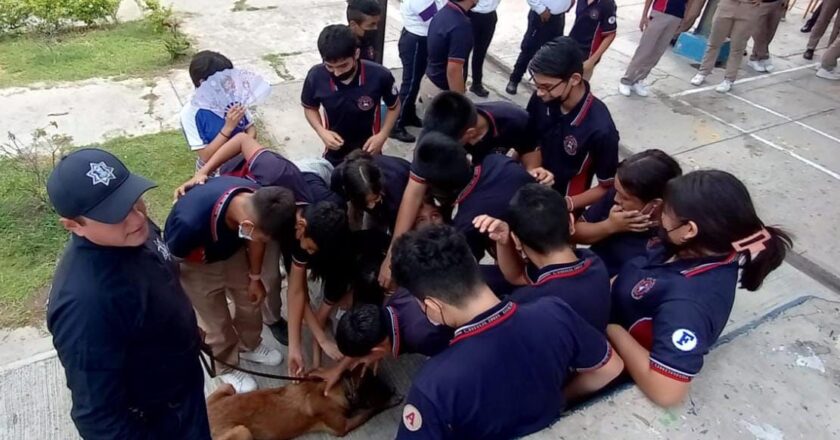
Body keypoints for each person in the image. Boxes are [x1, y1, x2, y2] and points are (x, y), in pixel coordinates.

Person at [392, 225, 624, 439]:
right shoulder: (554, 312)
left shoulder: (433, 385)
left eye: (421, 305)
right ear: (473, 262)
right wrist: (562, 398)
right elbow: (610, 367)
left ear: (433, 305)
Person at [46, 149, 210, 439]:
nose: (136, 219)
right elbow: (97, 418)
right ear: (73, 225)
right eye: (114, 214)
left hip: (185, 384)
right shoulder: (85, 306)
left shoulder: (135, 230)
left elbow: (162, 285)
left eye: (134, 202)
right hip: (160, 421)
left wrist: (186, 330)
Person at [608, 170, 792, 406]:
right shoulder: (701, 247)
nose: (661, 215)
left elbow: (667, 391)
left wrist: (612, 330)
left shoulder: (688, 307)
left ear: (690, 230)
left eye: (667, 212)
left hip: (616, 355)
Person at [165, 176, 292, 393]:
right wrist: (179, 306)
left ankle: (249, 344)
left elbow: (255, 239)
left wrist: (254, 278)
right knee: (216, 322)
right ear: (247, 225)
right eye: (264, 238)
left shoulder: (258, 199)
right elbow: (170, 265)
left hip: (232, 255)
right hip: (195, 265)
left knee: (250, 303)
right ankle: (226, 366)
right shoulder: (188, 225)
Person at [474, 184, 611, 331]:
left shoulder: (528, 302)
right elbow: (517, 276)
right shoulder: (593, 262)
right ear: (571, 223)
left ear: (518, 241)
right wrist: (504, 242)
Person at [521, 37, 620, 211]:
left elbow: (606, 186)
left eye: (546, 86)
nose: (539, 93)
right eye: (536, 85)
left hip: (565, 203)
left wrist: (564, 205)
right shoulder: (543, 97)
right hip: (530, 189)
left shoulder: (601, 130)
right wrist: (534, 170)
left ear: (574, 79)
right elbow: (530, 140)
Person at [412, 132, 535, 259]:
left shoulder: (468, 224)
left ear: (440, 192)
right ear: (468, 159)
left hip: (530, 264)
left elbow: (466, 267)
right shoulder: (497, 160)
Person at [302, 24, 400, 166]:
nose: (337, 73)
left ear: (356, 54)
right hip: (335, 154)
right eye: (330, 66)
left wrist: (383, 135)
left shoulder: (380, 75)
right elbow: (310, 107)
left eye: (343, 65)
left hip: (369, 152)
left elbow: (394, 106)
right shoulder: (316, 76)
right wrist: (321, 131)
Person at [574, 149, 683, 277]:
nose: (616, 199)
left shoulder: (674, 233)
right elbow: (574, 233)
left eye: (625, 197)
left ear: (655, 204)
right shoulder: (619, 196)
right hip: (588, 270)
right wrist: (609, 226)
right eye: (616, 191)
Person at [180, 50, 254, 171]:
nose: (232, 84)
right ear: (204, 83)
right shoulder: (191, 113)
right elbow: (205, 156)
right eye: (225, 80)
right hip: (214, 170)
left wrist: (247, 147)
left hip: (244, 161)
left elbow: (250, 127)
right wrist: (228, 128)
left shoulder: (233, 98)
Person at [420, 91, 536, 163]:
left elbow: (529, 156)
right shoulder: (434, 127)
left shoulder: (516, 121)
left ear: (470, 134)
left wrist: (505, 168)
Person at [391, 0, 446, 143]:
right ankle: (395, 124)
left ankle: (408, 113)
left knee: (415, 82)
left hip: (422, 39)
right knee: (409, 83)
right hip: (415, 41)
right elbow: (434, 17)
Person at [331, 150, 411, 235]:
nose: (371, 206)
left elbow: (399, 230)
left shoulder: (397, 189)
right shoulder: (338, 176)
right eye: (366, 202)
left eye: (375, 198)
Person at [689, 0, 762, 93]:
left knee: (737, 47)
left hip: (749, 7)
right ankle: (703, 72)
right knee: (714, 42)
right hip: (727, 4)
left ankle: (729, 79)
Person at [619, 0, 687, 97]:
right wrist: (644, 15)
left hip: (677, 17)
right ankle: (626, 80)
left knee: (657, 52)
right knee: (644, 50)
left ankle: (638, 79)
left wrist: (684, 19)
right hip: (660, 13)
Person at [506, 0, 573, 95]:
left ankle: (544, 86)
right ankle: (514, 79)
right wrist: (541, 9)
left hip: (558, 17)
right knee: (529, 49)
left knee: (553, 53)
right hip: (541, 15)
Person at [419, 0, 476, 103]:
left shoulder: (444, 12)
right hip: (441, 92)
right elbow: (453, 70)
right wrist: (461, 103)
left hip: (429, 81)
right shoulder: (461, 25)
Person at [568, 0, 618, 81]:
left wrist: (592, 60)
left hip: (588, 52)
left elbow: (610, 34)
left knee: (579, 84)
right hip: (572, 45)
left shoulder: (607, 4)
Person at [466, 0, 502, 97]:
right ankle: (460, 84)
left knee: (480, 53)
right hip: (471, 14)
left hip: (490, 15)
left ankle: (476, 84)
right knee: (463, 51)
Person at [747, 0, 786, 73]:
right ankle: (763, 55)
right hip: (761, 4)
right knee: (759, 31)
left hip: (777, 3)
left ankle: (756, 56)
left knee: (770, 31)